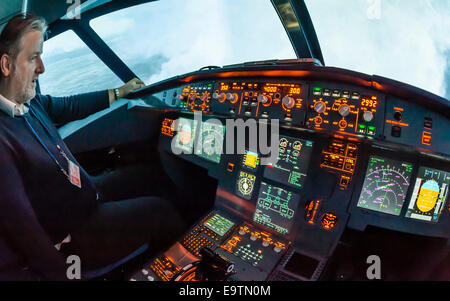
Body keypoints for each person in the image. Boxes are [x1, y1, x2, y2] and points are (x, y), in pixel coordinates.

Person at [0, 13, 185, 280]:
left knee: (151, 175)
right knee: (162, 212)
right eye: (32, 58)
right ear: (6, 65)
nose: (41, 68)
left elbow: (70, 105)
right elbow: (25, 232)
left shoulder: (28, 103)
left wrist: (119, 92)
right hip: (76, 235)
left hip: (87, 196)